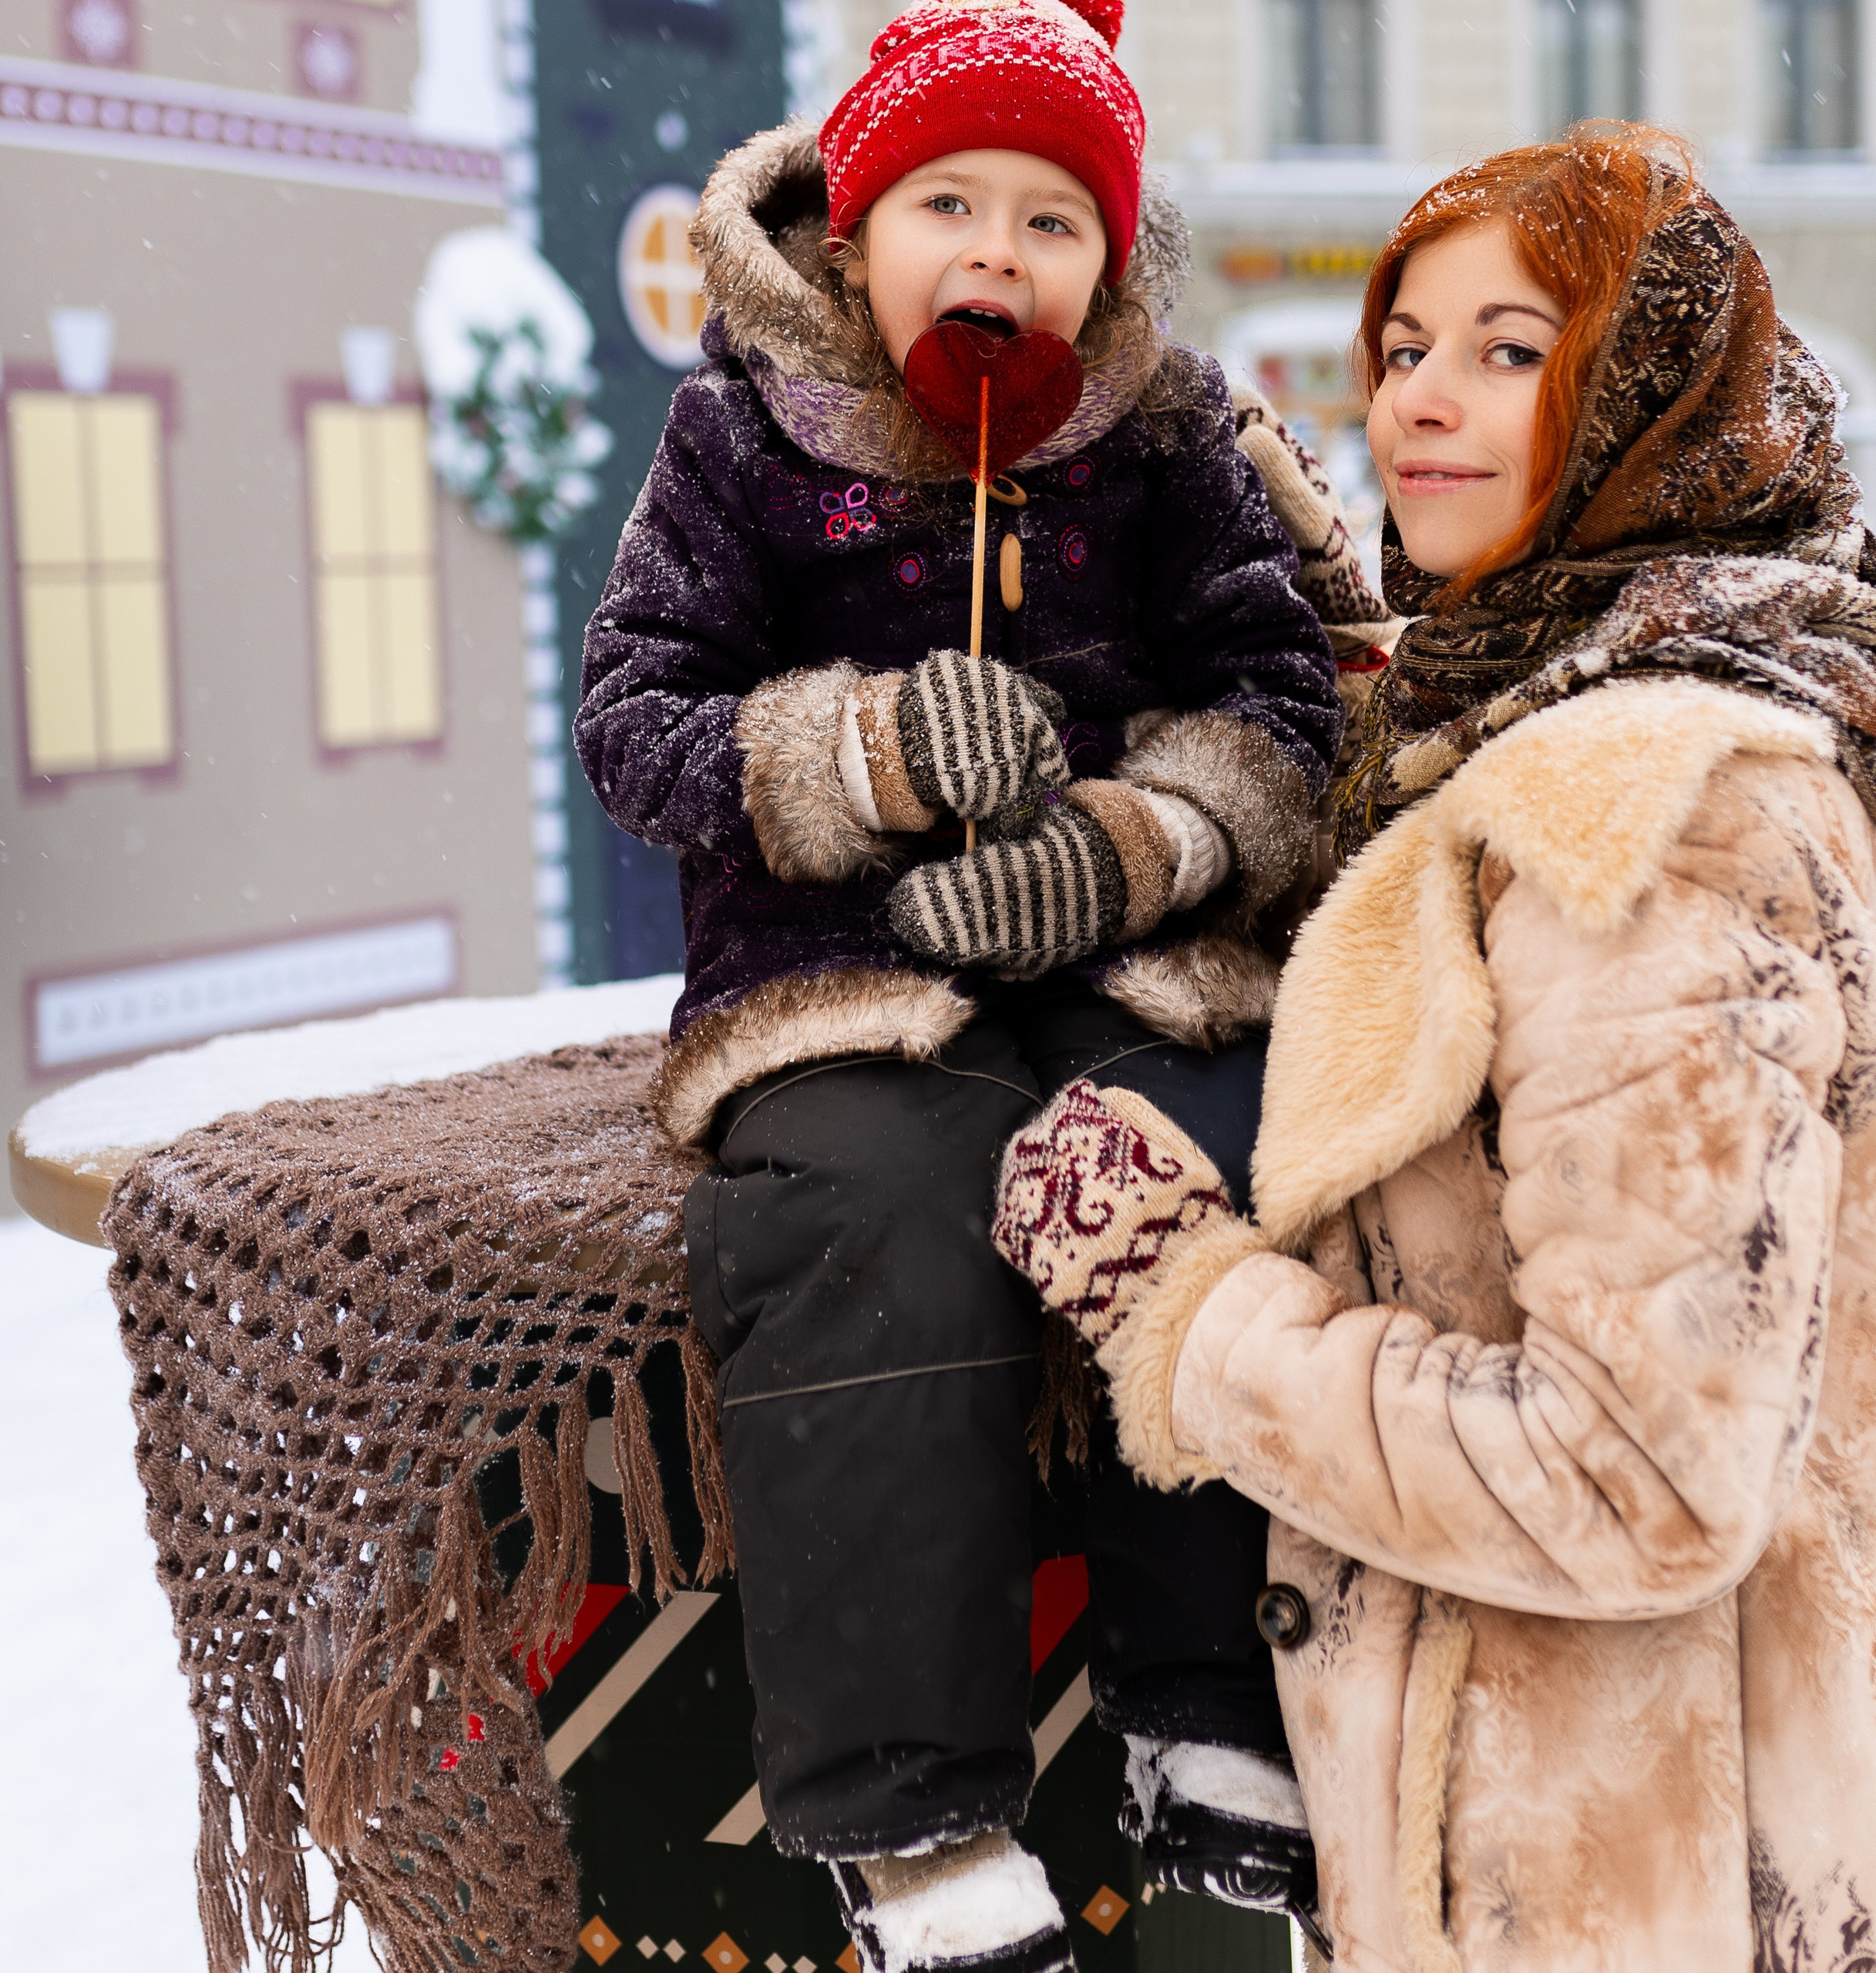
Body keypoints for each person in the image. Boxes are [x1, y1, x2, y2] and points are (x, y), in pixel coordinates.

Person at [991, 124, 1876, 1972]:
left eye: (1511, 352)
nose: (1418, 402)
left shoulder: (1646, 820)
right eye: (1405, 344)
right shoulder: (1583, 702)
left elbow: (1638, 1478)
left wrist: (1183, 1314)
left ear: (1647, 411)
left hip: (1623, 1886)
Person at [573, 2, 1395, 1965]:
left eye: (1052, 217)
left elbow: (1282, 702)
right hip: (835, 986)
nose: (997, 252)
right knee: (883, 1221)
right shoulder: (741, 436)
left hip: (1135, 969)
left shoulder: (1170, 434)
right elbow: (633, 721)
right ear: (855, 236)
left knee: (1204, 1174)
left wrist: (1140, 842)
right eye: (949, 201)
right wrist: (850, 760)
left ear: (1109, 263)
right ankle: (909, 1806)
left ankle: (1205, 1691)